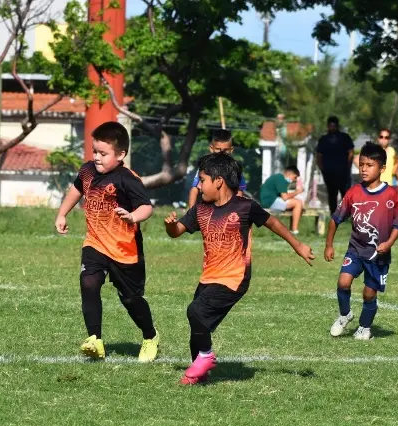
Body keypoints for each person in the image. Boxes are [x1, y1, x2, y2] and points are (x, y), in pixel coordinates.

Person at [164, 153, 314, 385]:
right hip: (209, 276)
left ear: (218, 181)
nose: (199, 186)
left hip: (235, 277)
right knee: (198, 323)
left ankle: (205, 357)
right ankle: (200, 375)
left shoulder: (245, 207)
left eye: (202, 180)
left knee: (195, 311)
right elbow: (177, 232)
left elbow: (272, 222)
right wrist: (171, 226)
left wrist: (298, 245)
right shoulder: (200, 209)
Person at [55, 121, 160, 362]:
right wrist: (62, 213)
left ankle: (150, 336)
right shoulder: (88, 170)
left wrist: (133, 216)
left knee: (130, 299)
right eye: (95, 151)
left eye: (104, 153)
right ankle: (95, 340)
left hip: (125, 250)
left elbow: (146, 207)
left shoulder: (127, 178)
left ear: (121, 154)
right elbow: (76, 189)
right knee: (89, 283)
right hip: (95, 243)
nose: (97, 158)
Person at [324, 142, 398, 340]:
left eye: (369, 165)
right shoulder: (353, 192)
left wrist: (388, 244)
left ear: (382, 168)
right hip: (356, 250)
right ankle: (345, 315)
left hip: (378, 255)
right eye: (361, 164)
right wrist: (329, 244)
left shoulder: (391, 194)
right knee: (343, 282)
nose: (364, 169)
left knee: (369, 294)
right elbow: (336, 219)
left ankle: (364, 327)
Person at [187, 129, 247, 208]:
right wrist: (191, 212)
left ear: (231, 150)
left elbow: (239, 191)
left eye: (225, 150)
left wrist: (237, 211)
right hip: (206, 209)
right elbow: (194, 189)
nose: (221, 153)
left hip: (226, 210)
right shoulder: (204, 167)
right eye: (218, 150)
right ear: (211, 148)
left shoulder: (235, 168)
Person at [316, 116, 354, 213]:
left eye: (334, 126)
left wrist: (348, 166)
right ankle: (334, 215)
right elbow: (319, 155)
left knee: (345, 194)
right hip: (329, 172)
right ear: (328, 126)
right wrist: (322, 169)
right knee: (332, 194)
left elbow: (351, 152)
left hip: (343, 172)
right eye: (330, 126)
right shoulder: (323, 140)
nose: (332, 128)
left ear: (337, 126)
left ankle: (347, 214)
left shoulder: (345, 138)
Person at [259, 165, 304, 234]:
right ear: (289, 174)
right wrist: (298, 191)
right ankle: (294, 230)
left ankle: (293, 229)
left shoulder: (278, 177)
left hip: (269, 200)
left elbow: (284, 196)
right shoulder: (280, 179)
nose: (294, 180)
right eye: (295, 177)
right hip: (270, 202)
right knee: (298, 203)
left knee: (297, 201)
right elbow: (285, 197)